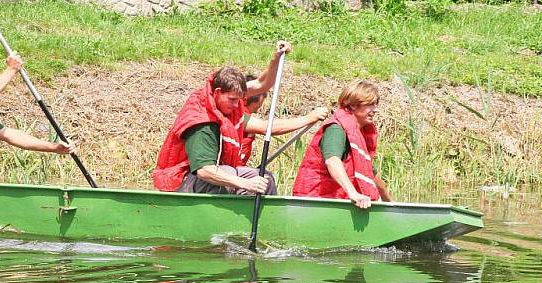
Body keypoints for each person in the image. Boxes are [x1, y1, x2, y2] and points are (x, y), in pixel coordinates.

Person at [153, 42, 329, 195]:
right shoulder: (202, 122)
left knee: (264, 178)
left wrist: (276, 58)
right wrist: (246, 184)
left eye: (240, 100)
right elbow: (205, 171)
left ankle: (262, 223)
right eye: (232, 100)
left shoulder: (228, 106)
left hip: (212, 176)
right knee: (230, 173)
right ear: (217, 93)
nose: (237, 105)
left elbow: (262, 84)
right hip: (183, 182)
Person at [292, 80, 393, 208]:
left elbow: (370, 173)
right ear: (353, 105)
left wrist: (391, 204)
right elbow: (332, 161)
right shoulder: (336, 129)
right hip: (316, 201)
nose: (375, 110)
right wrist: (353, 193)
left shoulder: (358, 132)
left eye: (375, 104)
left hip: (337, 202)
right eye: (370, 105)